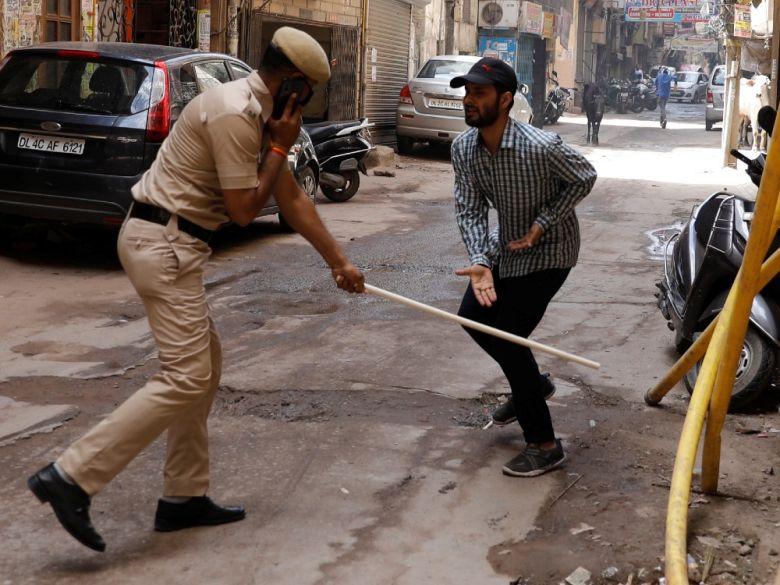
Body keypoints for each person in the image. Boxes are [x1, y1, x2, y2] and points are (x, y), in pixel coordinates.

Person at [27, 27, 365, 552]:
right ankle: (71, 476)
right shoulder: (235, 113)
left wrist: (339, 262)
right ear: (295, 85)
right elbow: (244, 211)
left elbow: (292, 200)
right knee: (186, 376)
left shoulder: (257, 114)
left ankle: (183, 497)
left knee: (202, 372)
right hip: (162, 244)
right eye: (309, 93)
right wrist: (279, 145)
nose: (307, 105)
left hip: (172, 244)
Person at [449, 58, 597, 477]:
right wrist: (480, 261)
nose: (469, 100)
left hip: (552, 252)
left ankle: (545, 444)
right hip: (507, 246)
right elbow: (470, 208)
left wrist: (543, 223)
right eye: (467, 92)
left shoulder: (540, 146)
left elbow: (585, 176)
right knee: (474, 318)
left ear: (506, 99)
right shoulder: (464, 148)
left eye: (479, 93)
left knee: (511, 339)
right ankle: (531, 385)